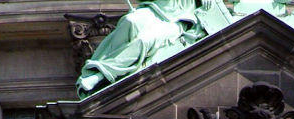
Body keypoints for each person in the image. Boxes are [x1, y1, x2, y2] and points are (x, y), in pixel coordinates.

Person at [77, 0, 216, 97]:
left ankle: (101, 75)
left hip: (181, 20)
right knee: (129, 22)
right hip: (156, 9)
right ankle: (104, 69)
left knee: (145, 41)